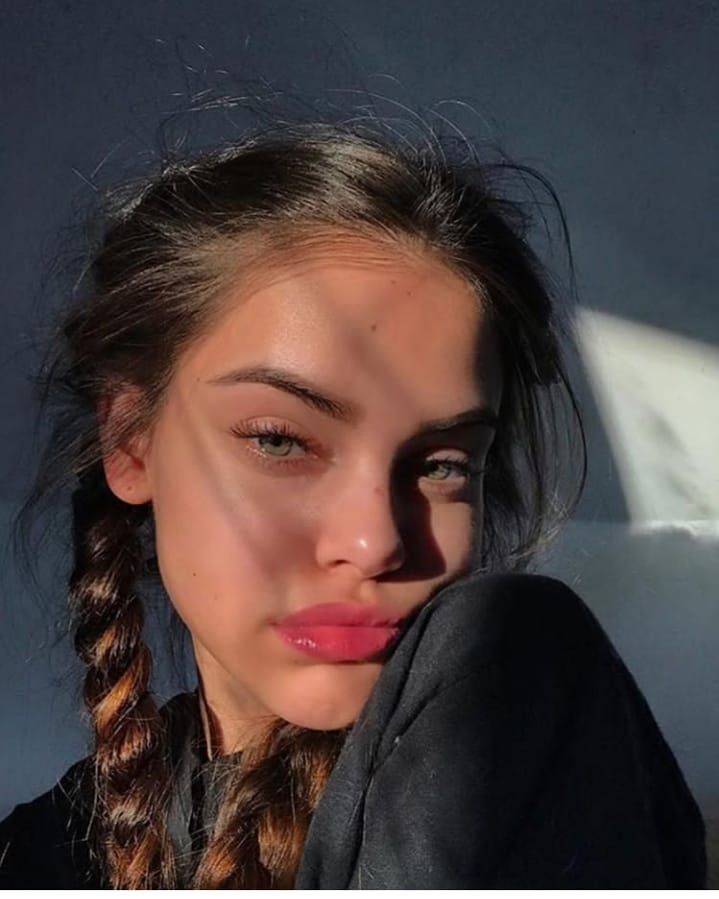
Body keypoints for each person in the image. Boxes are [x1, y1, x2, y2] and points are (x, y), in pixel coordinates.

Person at [0, 121, 707, 888]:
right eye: (279, 440)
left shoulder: (512, 703)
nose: (375, 542)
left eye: (441, 463)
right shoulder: (43, 851)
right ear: (131, 440)